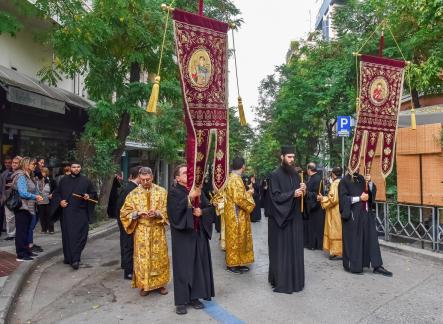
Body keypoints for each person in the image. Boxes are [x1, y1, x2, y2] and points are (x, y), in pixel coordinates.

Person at [167, 164, 216, 315]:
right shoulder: (174, 192)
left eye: (189, 172)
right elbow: (174, 214)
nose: (187, 175)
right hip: (183, 236)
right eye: (183, 173)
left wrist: (202, 212)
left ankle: (195, 297)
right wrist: (189, 198)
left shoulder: (197, 191)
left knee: (197, 266)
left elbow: (210, 208)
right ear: (177, 178)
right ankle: (181, 301)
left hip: (198, 234)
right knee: (183, 268)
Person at [120, 167, 169, 296]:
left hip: (157, 230)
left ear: (152, 177)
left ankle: (160, 284)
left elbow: (168, 210)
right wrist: (137, 213)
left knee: (158, 258)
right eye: (143, 180)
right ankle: (144, 284)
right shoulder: (133, 194)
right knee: (143, 259)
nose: (146, 182)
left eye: (148, 179)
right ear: (139, 179)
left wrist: (158, 213)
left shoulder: (162, 192)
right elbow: (124, 213)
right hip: (141, 231)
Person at [268, 145, 306, 293]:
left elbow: (302, 197)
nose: (292, 160)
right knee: (282, 251)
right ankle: (281, 280)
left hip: (295, 218)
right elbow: (275, 197)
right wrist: (293, 194)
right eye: (289, 157)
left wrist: (304, 189)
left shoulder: (296, 175)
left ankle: (296, 280)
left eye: (293, 157)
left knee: (295, 250)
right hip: (281, 221)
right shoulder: (275, 175)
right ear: (282, 157)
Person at [338, 171, 392, 276]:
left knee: (372, 239)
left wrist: (370, 182)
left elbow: (371, 194)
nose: (357, 167)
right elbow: (343, 199)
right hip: (353, 216)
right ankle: (353, 265)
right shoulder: (344, 181)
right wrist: (359, 198)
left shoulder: (362, 179)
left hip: (366, 214)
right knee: (355, 241)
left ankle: (377, 265)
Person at [51, 161, 97, 270]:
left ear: (80, 168)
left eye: (78, 167)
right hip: (67, 212)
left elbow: (93, 194)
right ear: (70, 168)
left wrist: (88, 195)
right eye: (74, 167)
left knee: (82, 235)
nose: (76, 169)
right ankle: (73, 259)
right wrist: (60, 202)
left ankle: (74, 257)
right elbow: (56, 194)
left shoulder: (86, 180)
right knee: (69, 236)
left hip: (81, 212)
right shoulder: (63, 180)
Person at [224, 157, 255, 274]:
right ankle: (232, 264)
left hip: (232, 212)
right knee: (235, 238)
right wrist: (249, 194)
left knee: (237, 238)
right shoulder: (235, 179)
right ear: (243, 166)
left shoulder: (231, 177)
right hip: (235, 215)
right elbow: (239, 199)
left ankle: (238, 262)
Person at [12, 157, 44, 261]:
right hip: (22, 207)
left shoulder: (28, 175)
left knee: (26, 231)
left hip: (28, 207)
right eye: (32, 164)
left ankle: (26, 252)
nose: (34, 166)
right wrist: (35, 197)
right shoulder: (21, 176)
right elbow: (22, 193)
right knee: (21, 231)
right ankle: (21, 254)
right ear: (26, 164)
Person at [115, 166, 141, 280]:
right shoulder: (130, 189)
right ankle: (128, 271)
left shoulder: (132, 187)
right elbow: (121, 208)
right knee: (128, 246)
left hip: (128, 221)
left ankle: (127, 266)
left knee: (128, 245)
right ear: (139, 176)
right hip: (127, 221)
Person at [319, 167, 343, 260]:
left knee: (334, 230)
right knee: (340, 230)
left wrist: (323, 199)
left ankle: (335, 251)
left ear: (333, 174)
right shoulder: (343, 181)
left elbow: (333, 199)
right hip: (341, 209)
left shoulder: (335, 184)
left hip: (334, 211)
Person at [304, 162, 325, 250]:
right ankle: (317, 244)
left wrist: (306, 191)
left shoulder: (314, 179)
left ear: (309, 169)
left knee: (314, 226)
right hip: (317, 205)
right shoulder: (317, 178)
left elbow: (314, 193)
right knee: (318, 226)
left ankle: (313, 244)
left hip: (315, 205)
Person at [1, 156, 21, 240]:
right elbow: (2, 186)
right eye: (13, 163)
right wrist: (2, 197)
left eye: (16, 163)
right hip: (7, 198)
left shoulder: (21, 173)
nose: (13, 164)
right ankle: (11, 234)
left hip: (19, 197)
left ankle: (18, 234)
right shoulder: (5, 173)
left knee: (18, 217)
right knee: (9, 218)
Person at [36, 167, 54, 234]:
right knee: (42, 215)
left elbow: (55, 189)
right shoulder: (37, 180)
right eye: (42, 172)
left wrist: (52, 194)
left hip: (48, 199)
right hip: (40, 199)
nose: (43, 173)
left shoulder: (50, 180)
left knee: (49, 215)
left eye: (44, 172)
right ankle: (44, 229)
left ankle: (51, 229)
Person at [0, 156, 13, 237]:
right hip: (4, 197)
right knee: (7, 216)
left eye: (9, 162)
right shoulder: (3, 174)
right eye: (6, 163)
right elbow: (1, 187)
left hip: (13, 197)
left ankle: (11, 233)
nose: (7, 164)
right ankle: (7, 231)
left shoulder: (14, 172)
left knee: (11, 217)